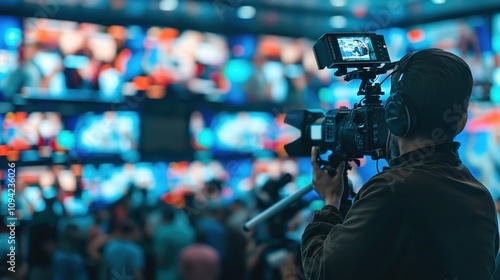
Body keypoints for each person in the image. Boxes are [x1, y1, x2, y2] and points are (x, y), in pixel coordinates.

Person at [301, 49, 499, 279]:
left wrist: (330, 203)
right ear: (462, 121)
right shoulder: (481, 197)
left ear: (395, 115)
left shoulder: (391, 191)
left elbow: (321, 270)